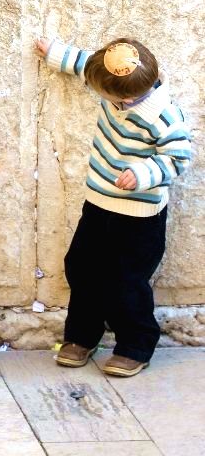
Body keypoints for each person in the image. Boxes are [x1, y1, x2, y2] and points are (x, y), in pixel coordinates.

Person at [35, 35, 191, 377]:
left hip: (140, 216)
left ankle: (135, 345)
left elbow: (178, 158)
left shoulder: (164, 116)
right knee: (81, 267)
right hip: (99, 203)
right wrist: (57, 53)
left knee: (126, 281)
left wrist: (143, 173)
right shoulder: (115, 80)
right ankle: (81, 336)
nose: (96, 93)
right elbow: (88, 66)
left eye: (100, 92)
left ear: (127, 97)